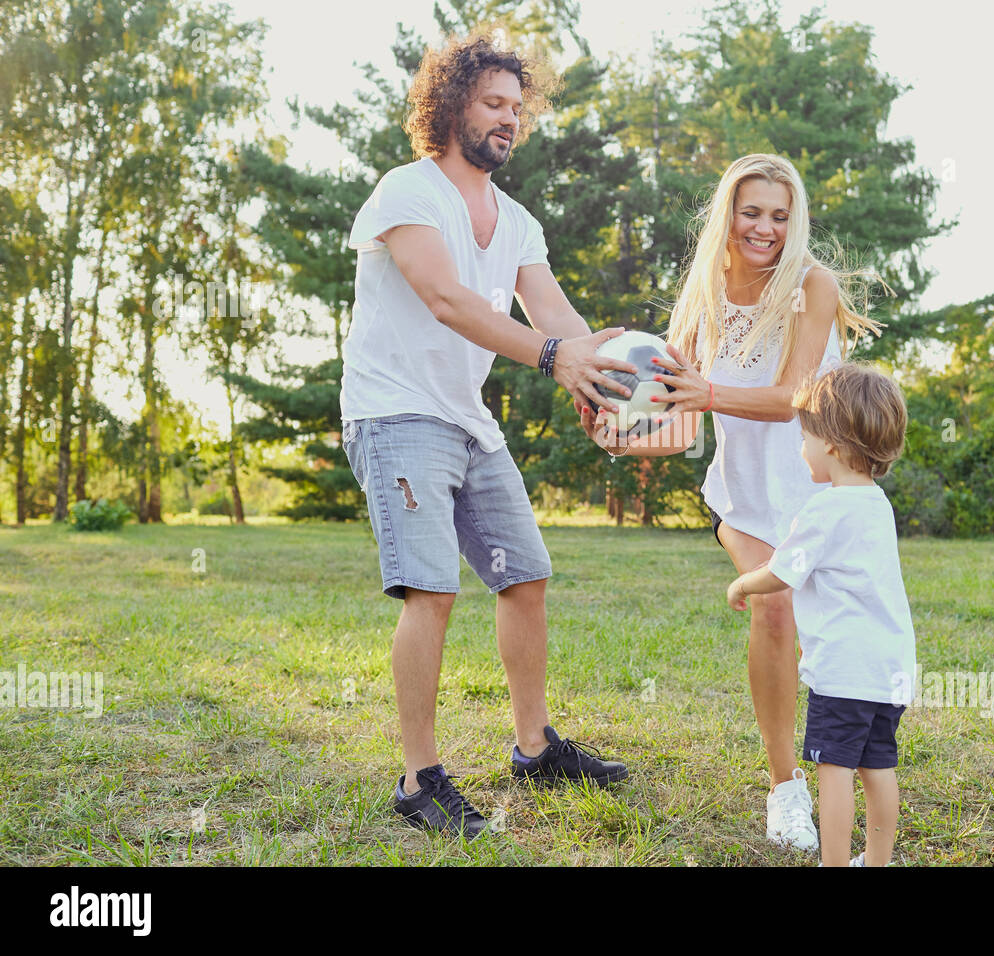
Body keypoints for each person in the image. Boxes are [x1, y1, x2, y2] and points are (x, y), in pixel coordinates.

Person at [341, 32, 636, 838]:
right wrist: (554, 358)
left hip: (469, 421)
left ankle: (535, 748)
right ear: (451, 107)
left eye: (517, 108)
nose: (509, 119)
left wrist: (603, 369)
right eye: (493, 104)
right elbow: (446, 300)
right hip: (397, 413)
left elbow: (558, 318)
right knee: (432, 591)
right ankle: (418, 779)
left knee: (525, 578)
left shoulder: (518, 223)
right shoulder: (407, 191)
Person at [582, 154, 886, 851]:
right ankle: (786, 788)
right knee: (773, 608)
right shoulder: (704, 291)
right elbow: (677, 414)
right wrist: (619, 437)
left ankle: (859, 774)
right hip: (743, 495)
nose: (766, 228)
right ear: (729, 213)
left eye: (780, 215)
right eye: (753, 211)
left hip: (821, 492)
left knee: (841, 642)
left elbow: (794, 397)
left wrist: (708, 394)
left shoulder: (811, 283)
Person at [725, 362, 916, 867]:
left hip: (843, 671)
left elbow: (781, 575)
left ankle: (834, 862)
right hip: (889, 667)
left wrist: (743, 582)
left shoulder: (823, 510)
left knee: (834, 772)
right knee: (878, 767)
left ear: (830, 444)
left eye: (805, 437)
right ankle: (875, 862)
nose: (802, 448)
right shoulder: (878, 505)